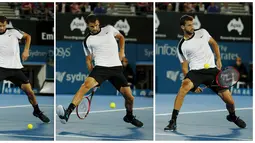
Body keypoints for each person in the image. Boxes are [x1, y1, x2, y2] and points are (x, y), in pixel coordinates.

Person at [57, 14, 143, 127]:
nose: (96, 28)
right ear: (88, 26)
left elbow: (121, 37)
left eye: (97, 25)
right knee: (85, 86)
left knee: (130, 97)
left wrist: (122, 51)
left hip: (116, 68)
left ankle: (129, 116)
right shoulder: (87, 40)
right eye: (92, 26)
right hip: (100, 68)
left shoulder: (109, 29)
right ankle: (67, 113)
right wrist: (93, 75)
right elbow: (88, 60)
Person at [164, 15, 246, 131]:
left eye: (192, 24)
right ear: (182, 27)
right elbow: (184, 67)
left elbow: (214, 44)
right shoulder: (181, 46)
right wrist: (193, 86)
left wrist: (218, 58)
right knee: (184, 87)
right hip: (196, 72)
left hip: (213, 71)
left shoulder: (202, 32)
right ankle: (173, 121)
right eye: (189, 25)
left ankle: (232, 116)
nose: (192, 27)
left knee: (230, 101)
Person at [0, 16, 50, 123]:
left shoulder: (13, 32)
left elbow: (28, 37)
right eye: (0, 26)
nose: (1, 28)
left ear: (6, 24)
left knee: (30, 92)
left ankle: (37, 111)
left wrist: (26, 50)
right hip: (1, 68)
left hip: (16, 68)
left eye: (3, 25)